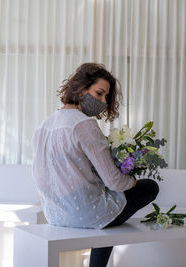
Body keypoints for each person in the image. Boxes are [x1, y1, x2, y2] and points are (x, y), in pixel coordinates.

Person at [32, 62, 159, 267]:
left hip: (54, 214)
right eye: (99, 93)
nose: (102, 101)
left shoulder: (44, 125)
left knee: (105, 206)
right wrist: (133, 183)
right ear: (82, 89)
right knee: (149, 187)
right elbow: (114, 182)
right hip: (84, 214)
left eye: (106, 97)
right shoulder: (84, 124)